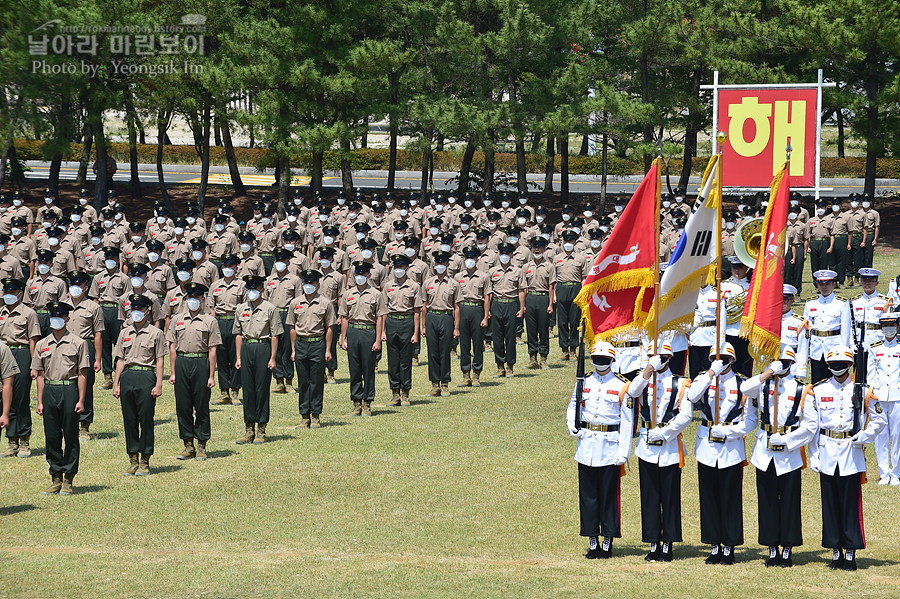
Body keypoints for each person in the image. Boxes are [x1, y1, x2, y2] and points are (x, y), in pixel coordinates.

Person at [807, 345, 886, 570]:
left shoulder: (864, 389)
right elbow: (814, 429)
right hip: (828, 450)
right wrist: (814, 456)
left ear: (851, 365)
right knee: (830, 503)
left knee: (851, 504)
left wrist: (866, 434)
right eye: (833, 365)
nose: (838, 369)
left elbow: (880, 420)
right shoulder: (819, 390)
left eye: (842, 365)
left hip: (852, 452)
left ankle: (850, 551)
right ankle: (835, 550)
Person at [740, 348, 816, 567]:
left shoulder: (801, 388)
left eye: (784, 361)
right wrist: (767, 373)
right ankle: (772, 547)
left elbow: (811, 426)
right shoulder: (762, 384)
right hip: (764, 451)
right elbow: (745, 388)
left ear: (791, 363)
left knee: (790, 501)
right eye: (777, 361)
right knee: (767, 501)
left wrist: (788, 440)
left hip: (789, 452)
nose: (780, 365)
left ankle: (788, 549)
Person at [687, 343, 755, 565]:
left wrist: (729, 431)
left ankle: (730, 545)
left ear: (733, 360)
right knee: (709, 497)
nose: (721, 360)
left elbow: (750, 420)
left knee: (730, 497)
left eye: (725, 358)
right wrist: (710, 373)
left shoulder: (742, 383)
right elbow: (692, 396)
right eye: (716, 357)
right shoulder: (703, 379)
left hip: (730, 445)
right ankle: (714, 544)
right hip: (707, 444)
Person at [566, 340, 633, 559]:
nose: (600, 363)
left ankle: (608, 540)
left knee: (608, 497)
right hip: (587, 446)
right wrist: (572, 426)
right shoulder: (583, 381)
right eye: (597, 360)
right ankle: (592, 538)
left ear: (612, 361)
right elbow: (573, 405)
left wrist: (624, 452)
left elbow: (627, 421)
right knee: (588, 497)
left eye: (604, 360)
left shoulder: (622, 385)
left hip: (609, 447)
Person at [625, 342, 692, 562]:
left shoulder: (681, 382)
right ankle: (653, 542)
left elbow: (685, 415)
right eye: (654, 356)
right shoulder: (643, 379)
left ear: (669, 358)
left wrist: (664, 433)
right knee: (650, 496)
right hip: (646, 448)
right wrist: (648, 370)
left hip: (670, 447)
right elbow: (633, 393)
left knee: (670, 497)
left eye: (662, 357)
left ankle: (669, 543)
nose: (658, 359)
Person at [32, 302, 90, 495]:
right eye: (53, 315)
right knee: (52, 436)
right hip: (50, 390)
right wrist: (40, 400)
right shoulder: (42, 344)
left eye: (60, 315)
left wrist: (81, 400)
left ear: (67, 318)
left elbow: (82, 374)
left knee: (71, 436)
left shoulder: (78, 343)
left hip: (69, 390)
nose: (56, 318)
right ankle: (55, 476)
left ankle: (69, 478)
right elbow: (40, 374)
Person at [113, 294, 166, 476]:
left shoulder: (156, 333)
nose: (136, 312)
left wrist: (159, 384)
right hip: (128, 376)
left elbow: (159, 361)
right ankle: (133, 458)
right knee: (129, 419)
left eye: (140, 309)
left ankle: (145, 459)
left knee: (146, 419)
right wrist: (116, 383)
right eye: (133, 309)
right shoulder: (124, 333)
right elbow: (120, 359)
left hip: (146, 376)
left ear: (147, 310)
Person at [167, 283, 220, 461]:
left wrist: (211, 375)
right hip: (182, 362)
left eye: (196, 297)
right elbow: (172, 347)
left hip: (201, 362)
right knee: (183, 405)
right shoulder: (177, 319)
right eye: (190, 297)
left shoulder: (210, 321)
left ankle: (202, 444)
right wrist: (173, 372)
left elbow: (212, 350)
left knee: (201, 405)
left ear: (203, 299)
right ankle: (188, 443)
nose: (193, 300)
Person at [233, 275, 282, 444]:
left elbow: (275, 335)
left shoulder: (270, 308)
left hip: (263, 347)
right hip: (247, 348)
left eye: (255, 288)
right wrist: (238, 357)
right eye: (249, 288)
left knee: (261, 389)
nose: (252, 292)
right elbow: (238, 334)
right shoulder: (240, 309)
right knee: (248, 389)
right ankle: (249, 428)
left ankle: (261, 428)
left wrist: (273, 358)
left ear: (262, 289)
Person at [287, 270, 335, 428]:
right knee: (303, 381)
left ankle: (315, 415)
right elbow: (292, 327)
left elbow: (329, 328)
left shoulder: (325, 303)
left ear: (318, 285)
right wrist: (293, 349)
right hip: (301, 344)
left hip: (317, 344)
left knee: (316, 381)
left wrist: (328, 350)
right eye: (306, 282)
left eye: (312, 283)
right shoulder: (295, 303)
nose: (309, 285)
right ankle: (304, 415)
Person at [339, 261, 386, 417]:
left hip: (368, 332)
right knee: (355, 369)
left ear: (369, 275)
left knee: (368, 369)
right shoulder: (348, 294)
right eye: (358, 274)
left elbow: (380, 318)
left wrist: (378, 340)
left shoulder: (376, 294)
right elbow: (344, 317)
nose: (360, 276)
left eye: (364, 273)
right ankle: (356, 402)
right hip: (353, 332)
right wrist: (343, 338)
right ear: (354, 275)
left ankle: (367, 402)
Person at [0, 277, 41, 458]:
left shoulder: (28, 313)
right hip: (3, 353)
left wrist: (34, 364)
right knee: (5, 398)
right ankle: (12, 440)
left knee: (21, 398)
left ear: (20, 293)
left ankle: (24, 439)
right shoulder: (1, 312)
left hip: (21, 353)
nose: (8, 294)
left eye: (12, 291)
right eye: (6, 291)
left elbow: (33, 340)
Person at [66, 271, 104, 441]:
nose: (76, 287)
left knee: (86, 386)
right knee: (68, 385)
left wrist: (97, 358)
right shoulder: (62, 305)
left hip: (85, 346)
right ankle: (69, 422)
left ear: (85, 287)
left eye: (79, 284)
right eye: (73, 284)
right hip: (66, 348)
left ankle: (84, 425)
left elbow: (97, 334)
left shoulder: (93, 307)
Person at [382, 255, 421, 405]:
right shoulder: (388, 285)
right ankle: (395, 393)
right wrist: (384, 331)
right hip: (392, 322)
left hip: (407, 322)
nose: (398, 269)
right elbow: (384, 310)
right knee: (393, 360)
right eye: (395, 266)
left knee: (405, 360)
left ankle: (405, 393)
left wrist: (416, 333)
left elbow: (417, 311)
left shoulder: (414, 286)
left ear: (407, 268)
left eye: (401, 266)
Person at [88, 247, 129, 389]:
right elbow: (95, 298)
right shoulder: (98, 277)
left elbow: (127, 300)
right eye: (107, 258)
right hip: (102, 311)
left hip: (118, 311)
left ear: (118, 260)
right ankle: (108, 376)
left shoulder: (124, 278)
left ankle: (121, 374)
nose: (110, 260)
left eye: (113, 258)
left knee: (119, 345)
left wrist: (125, 319)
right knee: (104, 345)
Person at [868, 312, 900, 486]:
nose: (888, 329)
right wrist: (870, 395)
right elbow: (870, 374)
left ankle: (896, 472)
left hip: (897, 396)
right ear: (881, 328)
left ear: (897, 326)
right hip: (879, 397)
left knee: (897, 435)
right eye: (885, 326)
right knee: (880, 434)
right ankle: (883, 472)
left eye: (892, 326)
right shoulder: (874, 347)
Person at [802, 270, 851, 384]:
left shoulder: (841, 303)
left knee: (836, 381)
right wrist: (807, 351)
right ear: (817, 285)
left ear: (834, 284)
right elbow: (806, 329)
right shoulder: (811, 303)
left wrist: (844, 351)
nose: (824, 287)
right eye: (821, 284)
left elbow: (845, 330)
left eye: (827, 283)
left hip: (834, 347)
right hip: (816, 349)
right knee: (817, 382)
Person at [208, 254, 244, 405]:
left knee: (236, 357)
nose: (227, 269)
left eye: (230, 266)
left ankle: (235, 391)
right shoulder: (215, 285)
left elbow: (244, 307)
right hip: (220, 323)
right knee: (221, 358)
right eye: (225, 266)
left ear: (236, 267)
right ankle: (224, 391)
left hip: (235, 322)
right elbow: (211, 307)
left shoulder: (242, 285)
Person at [422, 251, 459, 397]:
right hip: (432, 317)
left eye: (443, 263)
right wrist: (423, 326)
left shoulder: (454, 284)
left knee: (445, 352)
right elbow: (424, 306)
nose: (440, 265)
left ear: (447, 264)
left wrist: (456, 327)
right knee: (433, 353)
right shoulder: (428, 283)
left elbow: (457, 307)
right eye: (437, 263)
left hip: (446, 317)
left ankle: (444, 383)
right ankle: (434, 383)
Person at [489, 242, 526, 378]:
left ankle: (510, 366)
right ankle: (500, 366)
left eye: (507, 253)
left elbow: (521, 290)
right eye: (502, 253)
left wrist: (522, 308)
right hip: (497, 304)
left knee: (510, 337)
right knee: (497, 337)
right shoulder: (492, 271)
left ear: (511, 255)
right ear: (499, 254)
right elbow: (489, 292)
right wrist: (488, 309)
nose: (504, 256)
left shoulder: (518, 271)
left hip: (511, 304)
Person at [455, 246, 491, 387]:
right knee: (464, 344)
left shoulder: (484, 276)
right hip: (463, 309)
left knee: (477, 344)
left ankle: (476, 374)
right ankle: (466, 375)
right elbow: (455, 300)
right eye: (467, 257)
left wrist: (485, 317)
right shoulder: (458, 277)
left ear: (477, 259)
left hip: (477, 309)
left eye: (472, 257)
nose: (469, 260)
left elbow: (487, 298)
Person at [523, 236, 556, 370]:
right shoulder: (526, 266)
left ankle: (543, 358)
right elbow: (524, 288)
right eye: (534, 247)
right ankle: (532, 358)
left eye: (539, 247)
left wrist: (550, 304)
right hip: (530, 298)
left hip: (543, 298)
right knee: (531, 330)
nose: (537, 250)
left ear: (544, 248)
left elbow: (551, 287)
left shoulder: (549, 266)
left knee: (543, 330)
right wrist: (523, 305)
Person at [555, 230, 589, 361]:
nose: (568, 243)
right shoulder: (556, 258)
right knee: (562, 321)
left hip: (575, 288)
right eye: (566, 240)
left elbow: (584, 277)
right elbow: (554, 279)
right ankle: (564, 350)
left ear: (575, 242)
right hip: (561, 288)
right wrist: (554, 295)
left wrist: (583, 292)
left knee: (574, 320)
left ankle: (573, 349)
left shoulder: (580, 258)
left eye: (571, 240)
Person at [850, 267, 887, 381]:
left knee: (878, 375)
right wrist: (851, 344)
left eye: (870, 281)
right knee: (859, 377)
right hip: (860, 344)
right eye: (865, 281)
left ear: (876, 282)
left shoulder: (884, 301)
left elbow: (888, 325)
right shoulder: (854, 301)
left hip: (877, 341)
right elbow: (851, 325)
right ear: (861, 282)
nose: (867, 284)